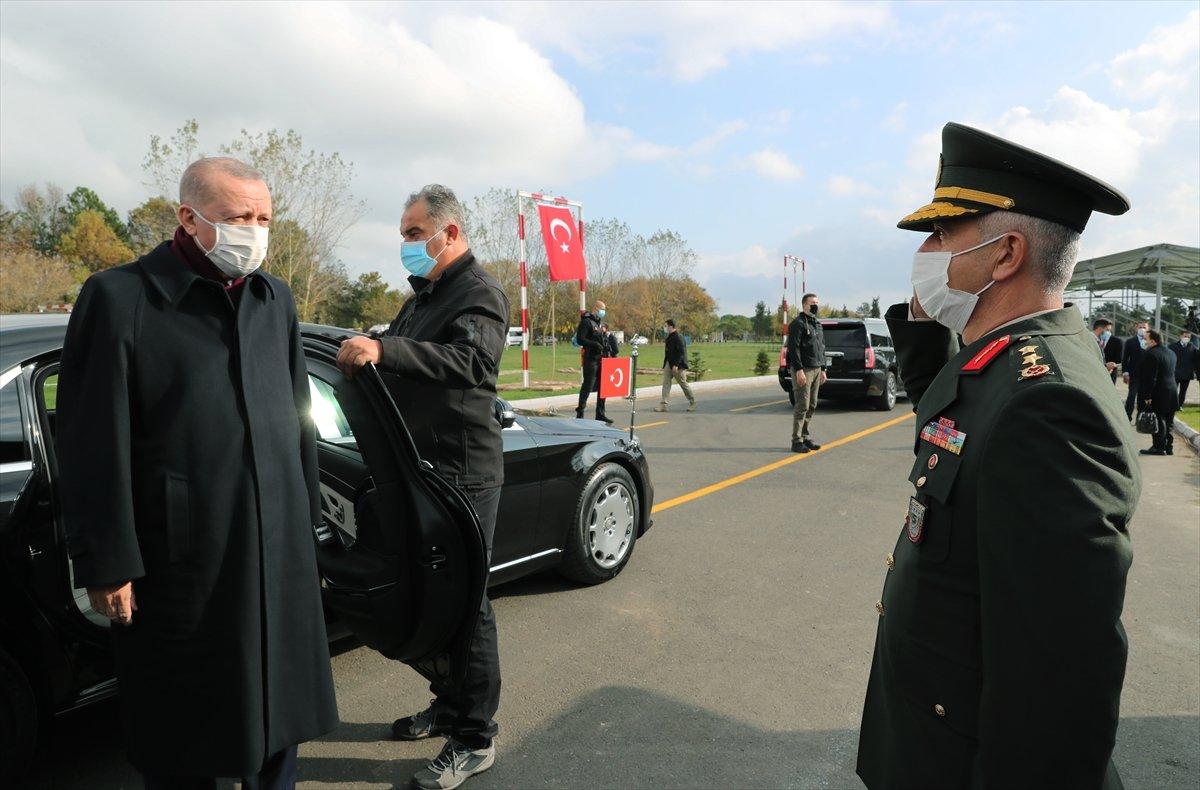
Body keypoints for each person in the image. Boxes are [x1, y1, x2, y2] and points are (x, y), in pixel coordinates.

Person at [857, 122, 1140, 789]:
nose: (925, 251)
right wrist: (928, 319)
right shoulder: (1007, 360)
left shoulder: (1047, 405)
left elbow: (1056, 688)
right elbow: (954, 423)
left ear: (1005, 253)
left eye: (943, 235)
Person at [56, 157, 338, 789]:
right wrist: (106, 561)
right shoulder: (121, 297)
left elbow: (300, 421)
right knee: (189, 736)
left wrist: (306, 528)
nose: (255, 232)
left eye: (264, 218)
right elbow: (92, 441)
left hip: (274, 551)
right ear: (189, 216)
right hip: (181, 560)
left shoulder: (274, 299)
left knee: (277, 724)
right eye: (240, 217)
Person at [335, 184, 508, 790]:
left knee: (465, 603)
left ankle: (474, 736)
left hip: (462, 475)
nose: (406, 244)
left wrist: (387, 349)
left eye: (414, 233)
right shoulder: (425, 295)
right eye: (404, 233)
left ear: (449, 233)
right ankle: (449, 701)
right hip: (420, 471)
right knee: (428, 600)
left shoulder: (478, 293)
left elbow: (473, 365)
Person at [785, 293, 828, 452]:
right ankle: (796, 441)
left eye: (817, 302)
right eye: (812, 303)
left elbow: (822, 347)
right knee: (802, 405)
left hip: (817, 369)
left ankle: (805, 436)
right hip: (804, 370)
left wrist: (823, 369)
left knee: (812, 404)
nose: (815, 305)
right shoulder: (798, 324)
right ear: (804, 306)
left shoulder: (817, 324)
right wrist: (798, 370)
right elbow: (793, 349)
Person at [1138, 329, 1180, 456]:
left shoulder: (1151, 354)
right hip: (1172, 390)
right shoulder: (1171, 352)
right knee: (1169, 420)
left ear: (1153, 340)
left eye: (1145, 339)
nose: (1144, 341)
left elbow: (1151, 377)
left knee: (1158, 419)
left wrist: (1147, 395)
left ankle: (1159, 447)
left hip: (1158, 392)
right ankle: (1168, 447)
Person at [574, 301, 612, 423]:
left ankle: (600, 413)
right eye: (602, 309)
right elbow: (580, 339)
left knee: (603, 387)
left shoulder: (598, 323)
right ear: (595, 308)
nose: (603, 312)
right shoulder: (586, 321)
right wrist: (594, 344)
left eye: (604, 309)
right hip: (590, 359)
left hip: (601, 358)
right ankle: (580, 412)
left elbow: (601, 338)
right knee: (588, 385)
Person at [655, 319, 696, 412]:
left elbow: (681, 352)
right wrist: (666, 364)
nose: (664, 328)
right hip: (668, 364)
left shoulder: (678, 337)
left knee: (683, 384)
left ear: (670, 326)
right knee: (666, 383)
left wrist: (676, 364)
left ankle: (692, 402)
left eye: (665, 326)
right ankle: (663, 405)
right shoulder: (669, 337)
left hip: (678, 366)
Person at [1121, 320, 1149, 420]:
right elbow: (1125, 359)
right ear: (1136, 328)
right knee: (1132, 395)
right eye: (1140, 327)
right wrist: (1125, 373)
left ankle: (1140, 417)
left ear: (1148, 329)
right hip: (1134, 374)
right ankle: (1127, 416)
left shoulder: (1151, 342)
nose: (1142, 329)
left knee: (1142, 398)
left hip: (1146, 375)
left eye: (1144, 327)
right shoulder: (1130, 342)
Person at [1169, 329, 1197, 406]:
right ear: (1180, 336)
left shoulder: (1192, 347)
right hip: (1175, 373)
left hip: (1187, 374)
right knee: (1173, 390)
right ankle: (1172, 404)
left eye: (1188, 337)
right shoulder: (1172, 346)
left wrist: (1194, 370)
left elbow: (1195, 360)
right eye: (1185, 336)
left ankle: (1180, 405)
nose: (1187, 338)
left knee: (1183, 391)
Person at [1092, 318, 1122, 383]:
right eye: (1107, 330)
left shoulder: (1098, 341)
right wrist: (1106, 367)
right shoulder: (1089, 341)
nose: (1109, 333)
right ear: (1100, 329)